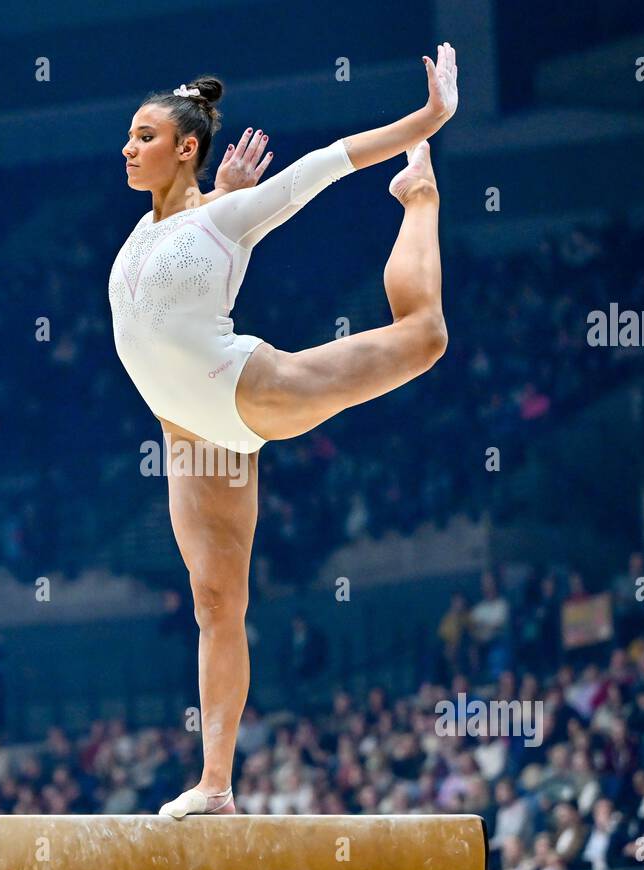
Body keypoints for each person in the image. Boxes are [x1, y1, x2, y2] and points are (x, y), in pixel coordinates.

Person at [112, 45, 460, 818]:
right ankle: (215, 787)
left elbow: (325, 165)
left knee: (426, 337)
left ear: (186, 148)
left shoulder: (229, 215)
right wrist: (216, 200)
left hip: (245, 392)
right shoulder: (154, 229)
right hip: (190, 442)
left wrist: (427, 121)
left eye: (143, 135)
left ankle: (421, 197)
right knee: (215, 604)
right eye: (129, 136)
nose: (128, 148)